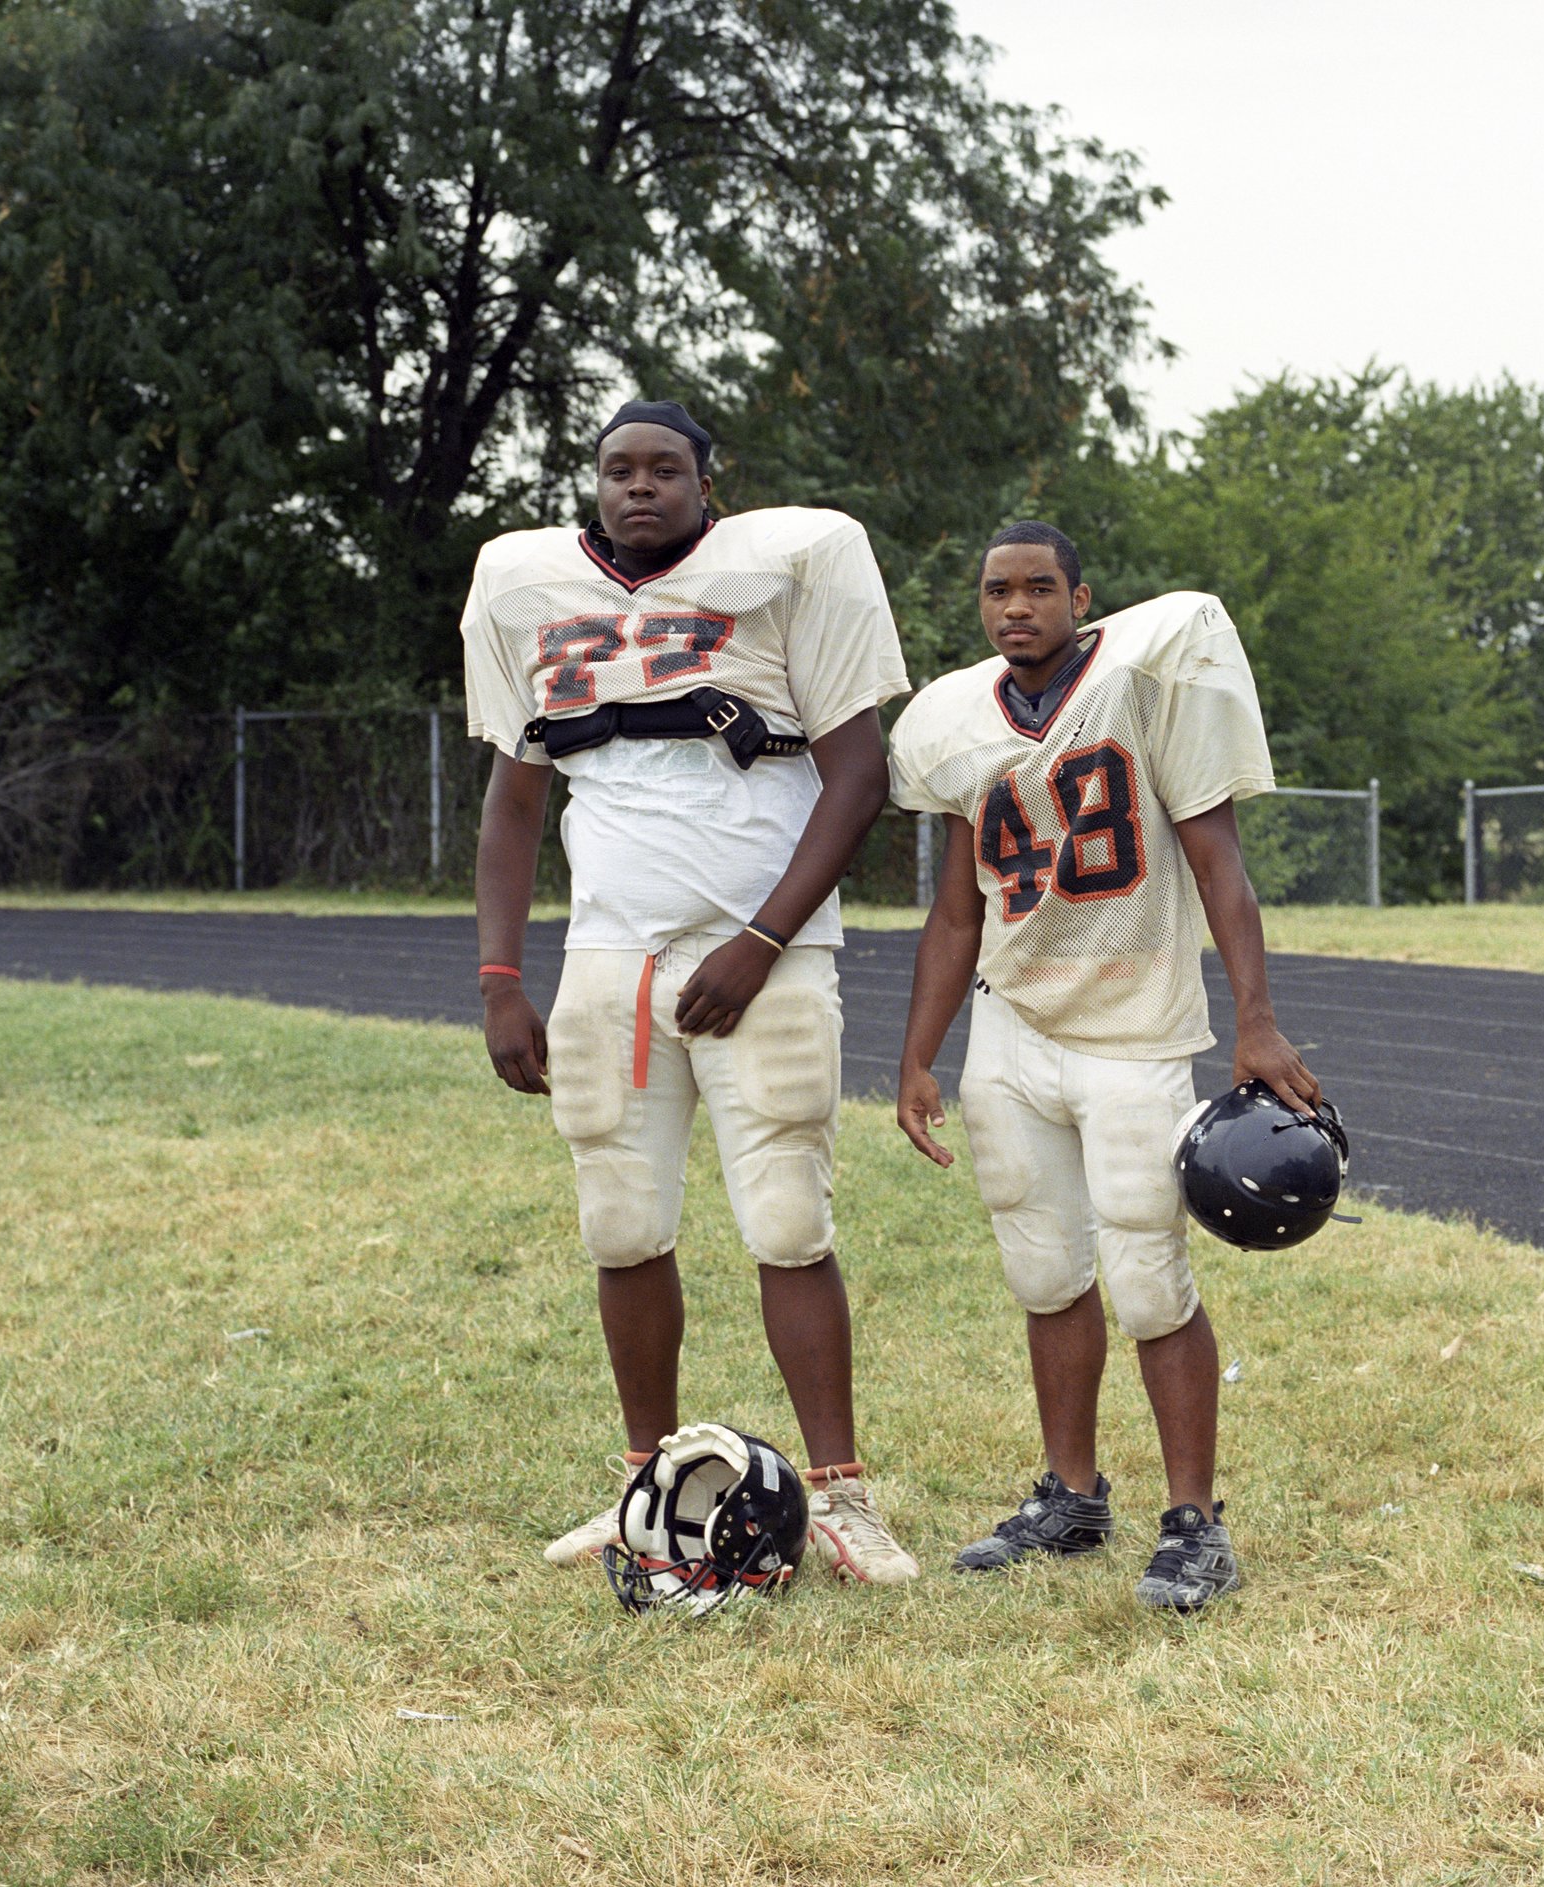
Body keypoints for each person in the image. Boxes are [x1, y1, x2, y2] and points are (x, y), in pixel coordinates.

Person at [463, 398, 919, 1585]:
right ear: (595, 482)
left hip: (758, 949)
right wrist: (501, 976)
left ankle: (842, 1496)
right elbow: (515, 805)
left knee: (785, 1218)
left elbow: (858, 772)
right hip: (610, 955)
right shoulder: (531, 590)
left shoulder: (784, 571)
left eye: (666, 469)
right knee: (620, 1224)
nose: (640, 487)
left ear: (710, 485)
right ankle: (644, 1486)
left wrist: (763, 938)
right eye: (619, 469)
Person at [887, 520, 1322, 1612]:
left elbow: (1220, 867)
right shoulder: (955, 724)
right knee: (1043, 1270)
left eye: (1040, 588)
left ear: (1084, 597)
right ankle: (1070, 1496)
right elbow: (953, 913)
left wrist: (1255, 1021)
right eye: (997, 591)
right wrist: (916, 1058)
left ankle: (1193, 1522)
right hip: (1012, 1023)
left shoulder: (1141, 684)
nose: (1016, 608)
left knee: (1145, 1275)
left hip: (1134, 1023)